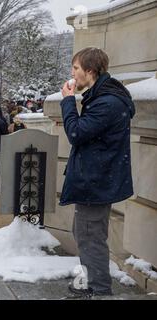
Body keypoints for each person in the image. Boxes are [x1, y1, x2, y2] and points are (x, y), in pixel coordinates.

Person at [60, 47, 135, 298]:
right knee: (83, 234)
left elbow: (76, 133)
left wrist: (68, 101)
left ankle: (100, 290)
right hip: (94, 180)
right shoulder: (102, 96)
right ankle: (91, 282)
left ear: (90, 71)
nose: (73, 74)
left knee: (91, 237)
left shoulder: (107, 102)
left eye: (76, 69)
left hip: (96, 182)